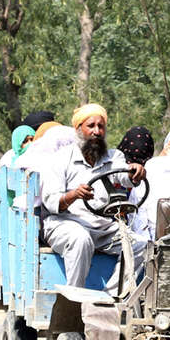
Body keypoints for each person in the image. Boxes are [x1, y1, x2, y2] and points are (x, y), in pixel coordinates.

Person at [40, 103, 146, 288]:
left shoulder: (114, 157)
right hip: (65, 224)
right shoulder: (60, 159)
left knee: (141, 245)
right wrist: (73, 195)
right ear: (78, 129)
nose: (97, 131)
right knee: (80, 239)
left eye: (101, 126)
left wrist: (134, 172)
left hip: (102, 227)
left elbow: (124, 175)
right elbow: (51, 202)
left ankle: (110, 299)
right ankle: (74, 300)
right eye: (91, 126)